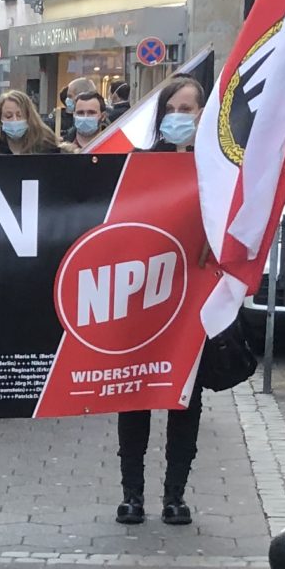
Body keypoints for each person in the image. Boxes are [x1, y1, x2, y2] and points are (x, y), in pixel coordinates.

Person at [115, 73, 209, 525]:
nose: (177, 117)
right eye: (170, 110)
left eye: (185, 109)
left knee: (184, 400)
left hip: (193, 299)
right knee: (134, 395)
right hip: (144, 296)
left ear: (202, 114)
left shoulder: (216, 166)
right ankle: (132, 495)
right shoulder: (140, 163)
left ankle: (175, 495)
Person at [0, 89, 64, 156]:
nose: (14, 120)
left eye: (20, 115)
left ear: (29, 117)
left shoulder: (47, 147)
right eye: (8, 116)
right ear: (0, 119)